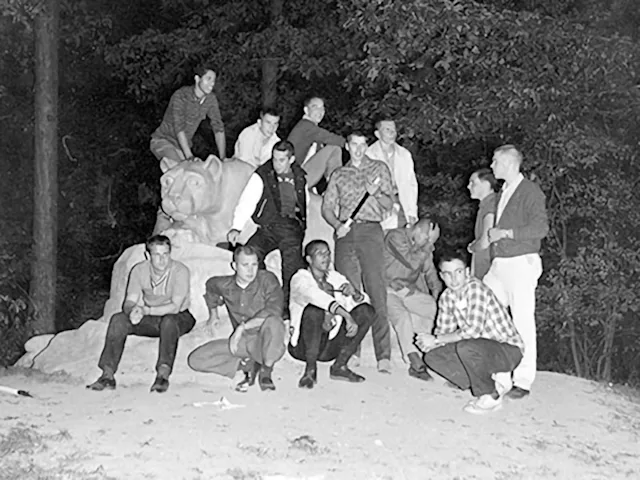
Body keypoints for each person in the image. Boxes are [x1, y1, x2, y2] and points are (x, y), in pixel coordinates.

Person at [322, 131, 395, 373]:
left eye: (363, 145)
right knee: (350, 293)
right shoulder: (339, 174)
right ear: (347, 146)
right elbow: (327, 207)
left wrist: (377, 194)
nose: (359, 149)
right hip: (346, 235)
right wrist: (337, 226)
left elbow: (389, 205)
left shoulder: (379, 169)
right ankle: (351, 350)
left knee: (377, 291)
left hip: (371, 232)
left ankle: (383, 354)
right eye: (354, 144)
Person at [417, 249, 524, 415]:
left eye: (458, 272)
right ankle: (479, 382)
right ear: (441, 276)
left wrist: (436, 339)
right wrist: (428, 344)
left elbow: (472, 331)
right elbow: (443, 330)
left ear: (467, 272)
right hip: (478, 349)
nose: (453, 279)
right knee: (433, 356)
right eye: (447, 274)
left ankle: (491, 395)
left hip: (507, 350)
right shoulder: (446, 297)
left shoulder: (475, 289)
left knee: (466, 347)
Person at [87, 235, 195, 393]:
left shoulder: (180, 271)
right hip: (152, 317)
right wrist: (132, 312)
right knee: (118, 319)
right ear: (147, 255)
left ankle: (163, 375)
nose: (162, 260)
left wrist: (145, 310)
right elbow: (129, 301)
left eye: (165, 254)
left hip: (180, 317)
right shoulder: (139, 270)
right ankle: (107, 375)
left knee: (169, 321)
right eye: (157, 255)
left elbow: (175, 307)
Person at [482, 145, 549, 400]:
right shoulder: (504, 192)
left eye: (495, 161)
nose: (492, 166)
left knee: (521, 320)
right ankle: (498, 376)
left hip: (521, 262)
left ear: (510, 164)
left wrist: (507, 233)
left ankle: (523, 379)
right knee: (489, 315)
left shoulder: (530, 191)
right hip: (500, 264)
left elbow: (541, 227)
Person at [190, 245, 287, 392]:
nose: (250, 270)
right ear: (234, 266)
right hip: (242, 342)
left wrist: (242, 327)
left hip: (266, 338)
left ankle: (266, 370)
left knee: (275, 322)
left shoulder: (267, 279)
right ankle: (248, 365)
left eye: (254, 264)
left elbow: (274, 310)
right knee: (196, 359)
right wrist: (213, 315)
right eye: (245, 265)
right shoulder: (225, 284)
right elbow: (211, 287)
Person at [227, 140, 306, 318]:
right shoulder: (263, 174)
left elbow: (304, 201)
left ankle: (287, 310)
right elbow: (247, 201)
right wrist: (236, 227)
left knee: (292, 266)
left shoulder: (299, 176)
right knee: (251, 252)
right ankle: (264, 296)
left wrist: (301, 225)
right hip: (268, 226)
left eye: (281, 160)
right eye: (274, 158)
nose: (276, 164)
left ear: (291, 159)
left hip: (291, 228)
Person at [289, 240, 374, 388]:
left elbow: (362, 302)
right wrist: (347, 316)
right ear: (309, 259)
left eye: (328, 253)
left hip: (329, 346)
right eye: (320, 253)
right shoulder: (300, 278)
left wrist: (355, 294)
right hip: (303, 347)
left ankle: (339, 366)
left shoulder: (335, 278)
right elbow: (315, 296)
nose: (326, 257)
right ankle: (310, 370)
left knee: (367, 311)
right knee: (314, 310)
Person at [384, 217, 443, 381]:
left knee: (434, 308)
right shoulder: (395, 237)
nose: (429, 243)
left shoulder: (423, 247)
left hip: (407, 290)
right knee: (402, 316)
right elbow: (411, 262)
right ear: (417, 230)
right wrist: (427, 247)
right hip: (386, 289)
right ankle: (414, 361)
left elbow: (431, 273)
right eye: (428, 238)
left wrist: (437, 296)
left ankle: (436, 350)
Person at [150, 65, 226, 171]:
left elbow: (218, 128)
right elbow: (179, 128)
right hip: (163, 141)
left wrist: (223, 159)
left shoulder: (210, 100)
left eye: (214, 80)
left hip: (182, 147)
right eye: (208, 79)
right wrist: (189, 156)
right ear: (197, 79)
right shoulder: (181, 96)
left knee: (196, 174)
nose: (212, 83)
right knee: (181, 172)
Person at [366, 119, 419, 229]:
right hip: (381, 203)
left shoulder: (404, 154)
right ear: (377, 134)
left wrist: (412, 212)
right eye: (387, 130)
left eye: (394, 130)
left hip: (402, 202)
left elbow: (411, 185)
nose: (392, 133)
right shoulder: (369, 154)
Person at [287, 96, 345, 191]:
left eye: (322, 108)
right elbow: (334, 139)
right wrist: (353, 144)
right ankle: (337, 187)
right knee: (334, 148)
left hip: (302, 178)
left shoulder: (312, 131)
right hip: (295, 178)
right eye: (315, 107)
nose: (320, 111)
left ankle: (330, 190)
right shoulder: (306, 126)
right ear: (306, 110)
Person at [467, 168, 498, 279]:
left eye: (473, 183)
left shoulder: (491, 205)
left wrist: (472, 247)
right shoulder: (485, 205)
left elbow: (485, 240)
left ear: (486, 184)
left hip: (488, 270)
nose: (468, 186)